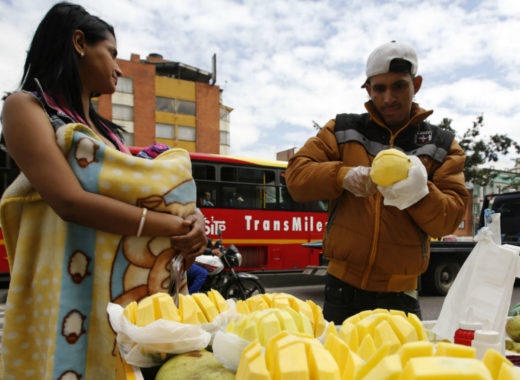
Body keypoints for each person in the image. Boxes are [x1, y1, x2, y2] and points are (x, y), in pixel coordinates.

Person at [0, 3, 206, 379]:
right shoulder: (26, 107)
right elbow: (68, 201)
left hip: (113, 290)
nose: (118, 65)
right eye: (111, 52)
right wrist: (171, 227)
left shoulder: (108, 134)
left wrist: (193, 218)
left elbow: (143, 193)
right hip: (67, 286)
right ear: (79, 42)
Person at [286, 41, 470, 324]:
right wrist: (342, 176)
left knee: (399, 369)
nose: (388, 98)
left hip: (400, 294)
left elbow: (447, 221)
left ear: (416, 84)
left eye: (398, 86)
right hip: (341, 289)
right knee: (339, 368)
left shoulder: (442, 145)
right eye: (379, 88)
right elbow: (297, 179)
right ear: (368, 89)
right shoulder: (342, 129)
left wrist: (420, 193)